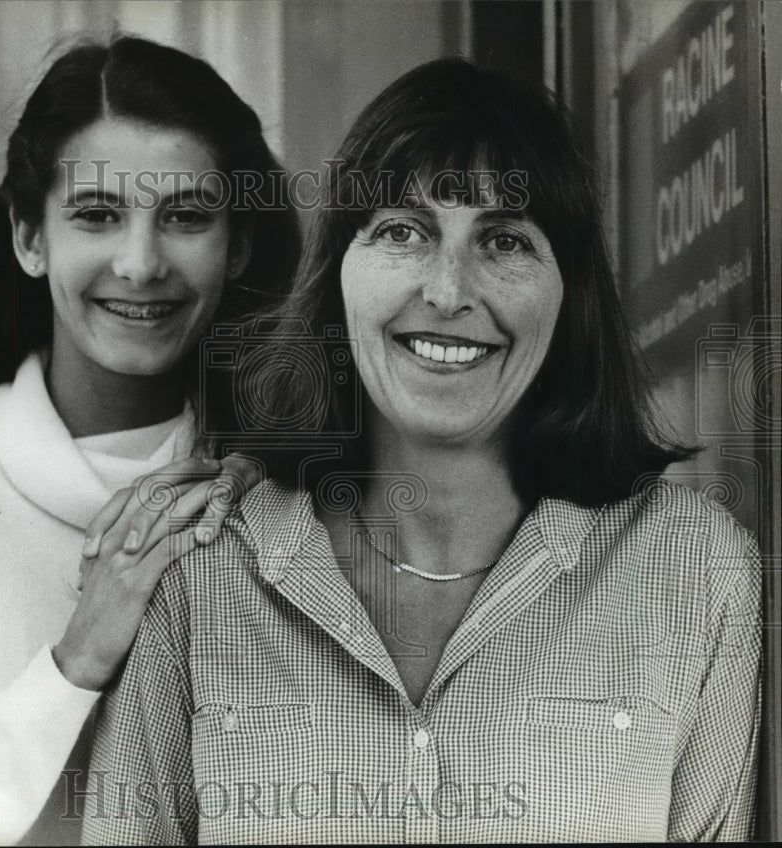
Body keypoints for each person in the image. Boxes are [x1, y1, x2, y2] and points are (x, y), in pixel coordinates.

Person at [82, 58, 762, 844]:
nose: (447, 290)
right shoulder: (202, 569)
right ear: (338, 272)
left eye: (505, 239)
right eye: (402, 231)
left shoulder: (695, 571)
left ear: (567, 292)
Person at [0, 35, 300, 846]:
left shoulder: (284, 494)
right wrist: (75, 659)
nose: (141, 264)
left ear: (239, 244)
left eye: (185, 216)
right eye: (97, 215)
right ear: (29, 237)